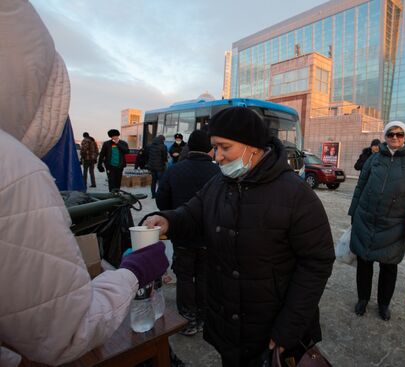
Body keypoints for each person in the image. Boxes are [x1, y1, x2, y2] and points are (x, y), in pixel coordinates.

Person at [0, 1, 169, 365]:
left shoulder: (114, 145)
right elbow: (65, 330)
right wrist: (135, 271)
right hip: (105, 171)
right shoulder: (14, 167)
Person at [143, 107, 335, 367]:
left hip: (271, 326)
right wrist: (167, 219)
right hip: (227, 321)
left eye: (225, 147)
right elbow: (192, 214)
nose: (218, 157)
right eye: (214, 148)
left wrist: (289, 326)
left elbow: (316, 263)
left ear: (252, 146)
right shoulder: (218, 184)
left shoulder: (296, 195)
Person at [348, 121, 405, 320]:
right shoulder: (374, 158)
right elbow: (360, 186)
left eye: (399, 134)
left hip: (395, 224)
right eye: (390, 134)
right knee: (364, 262)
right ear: (385, 136)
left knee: (389, 266)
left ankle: (383, 304)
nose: (394, 138)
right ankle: (363, 299)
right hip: (366, 218)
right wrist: (353, 213)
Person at [155, 130, 220, 336]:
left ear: (189, 147)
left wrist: (173, 216)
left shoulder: (174, 170)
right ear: (211, 149)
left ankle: (188, 319)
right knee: (204, 275)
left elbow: (161, 200)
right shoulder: (218, 173)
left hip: (182, 234)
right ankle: (203, 316)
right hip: (209, 236)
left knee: (184, 276)